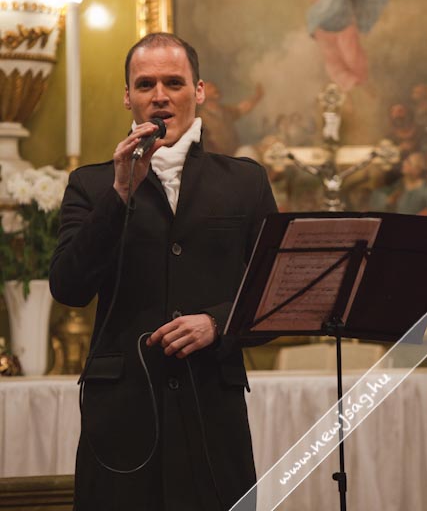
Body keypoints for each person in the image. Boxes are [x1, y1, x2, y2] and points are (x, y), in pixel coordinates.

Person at [49, 32, 277, 511]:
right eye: (145, 84)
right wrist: (120, 193)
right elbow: (69, 287)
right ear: (127, 97)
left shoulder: (245, 181)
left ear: (199, 91)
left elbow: (275, 297)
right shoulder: (91, 184)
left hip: (211, 411)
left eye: (174, 82)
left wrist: (217, 322)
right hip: (122, 416)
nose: (160, 95)